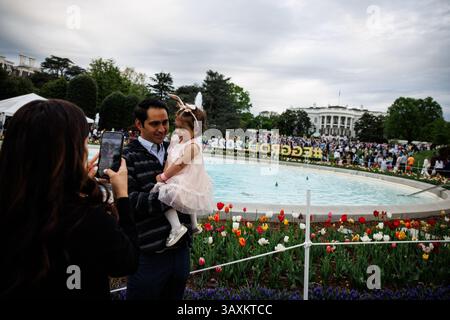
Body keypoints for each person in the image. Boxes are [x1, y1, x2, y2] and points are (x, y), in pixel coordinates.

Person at [0, 99, 138, 299]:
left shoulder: (11, 205)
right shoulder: (86, 218)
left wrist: (74, 186)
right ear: (69, 151)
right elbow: (126, 261)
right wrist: (122, 196)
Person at [123, 98, 193, 300]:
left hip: (180, 254)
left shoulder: (177, 151)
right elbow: (131, 202)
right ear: (139, 124)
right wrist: (174, 196)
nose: (162, 129)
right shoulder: (127, 157)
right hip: (149, 256)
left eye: (165, 123)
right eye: (155, 124)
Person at [151, 94, 214, 247]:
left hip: (185, 179)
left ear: (195, 130)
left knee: (162, 193)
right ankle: (194, 225)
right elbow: (169, 159)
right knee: (179, 195)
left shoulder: (193, 146)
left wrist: (164, 176)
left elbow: (179, 164)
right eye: (177, 127)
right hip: (181, 179)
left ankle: (176, 227)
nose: (178, 131)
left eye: (182, 128)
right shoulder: (178, 142)